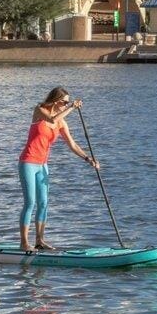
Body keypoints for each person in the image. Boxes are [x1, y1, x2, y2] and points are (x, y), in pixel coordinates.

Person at [18, 86, 98, 253]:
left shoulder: (62, 122)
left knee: (43, 203)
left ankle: (40, 241)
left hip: (42, 165)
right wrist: (72, 108)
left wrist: (87, 158)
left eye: (68, 102)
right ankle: (24, 243)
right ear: (56, 101)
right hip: (28, 162)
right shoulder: (39, 110)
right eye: (64, 102)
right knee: (30, 203)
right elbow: (52, 119)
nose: (66, 104)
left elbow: (72, 144)